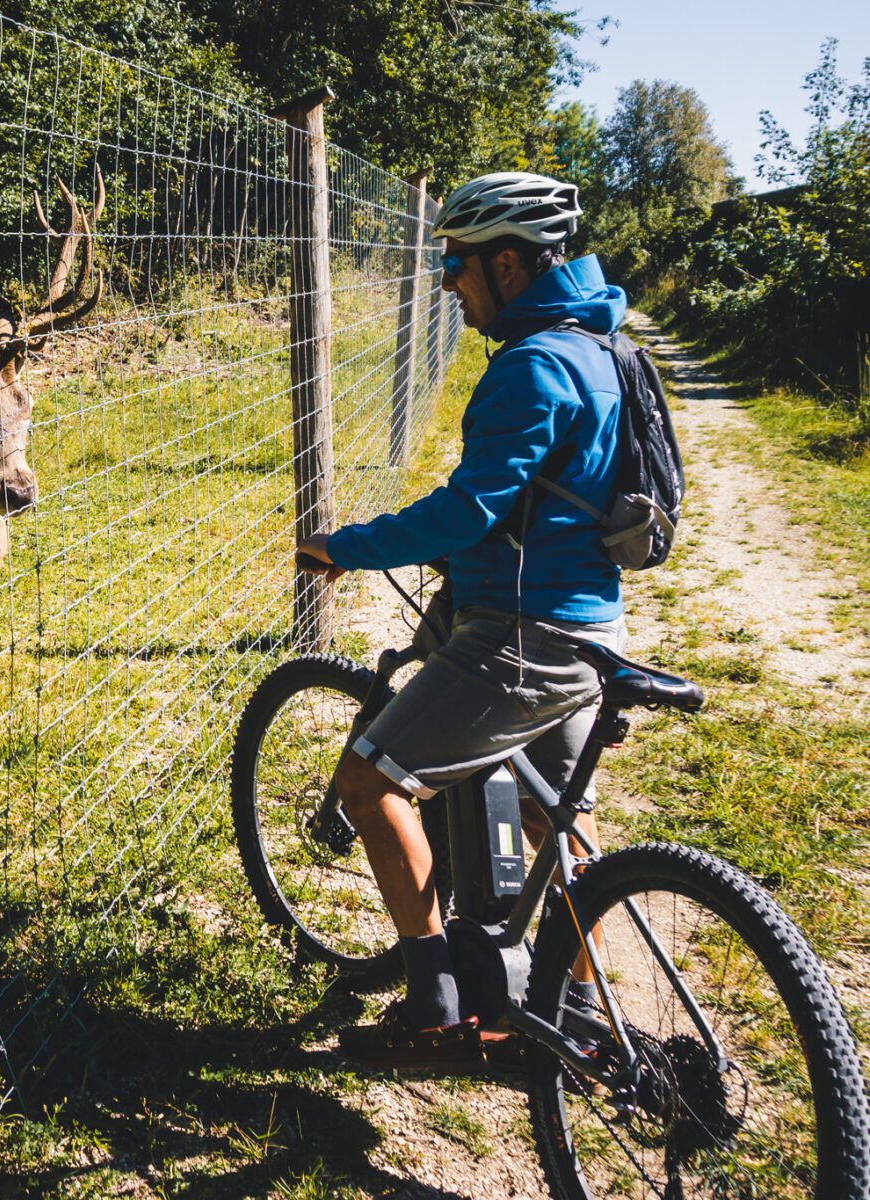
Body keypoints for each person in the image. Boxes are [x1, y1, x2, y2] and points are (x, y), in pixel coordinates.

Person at [296, 171, 628, 1071]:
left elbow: (467, 509)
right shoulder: (601, 349)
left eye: (458, 263)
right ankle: (581, 1014)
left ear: (509, 265)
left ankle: (435, 1008)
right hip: (592, 626)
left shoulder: (533, 365)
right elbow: (556, 499)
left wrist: (346, 548)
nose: (448, 282)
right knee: (554, 821)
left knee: (371, 784)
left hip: (518, 637)